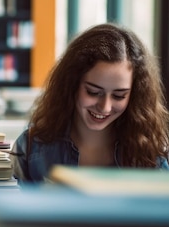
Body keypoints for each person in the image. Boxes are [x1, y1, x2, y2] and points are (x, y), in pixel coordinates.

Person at [10, 23, 169, 182]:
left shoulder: (150, 152)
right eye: (93, 92)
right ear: (71, 84)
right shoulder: (31, 146)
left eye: (119, 96)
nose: (105, 107)